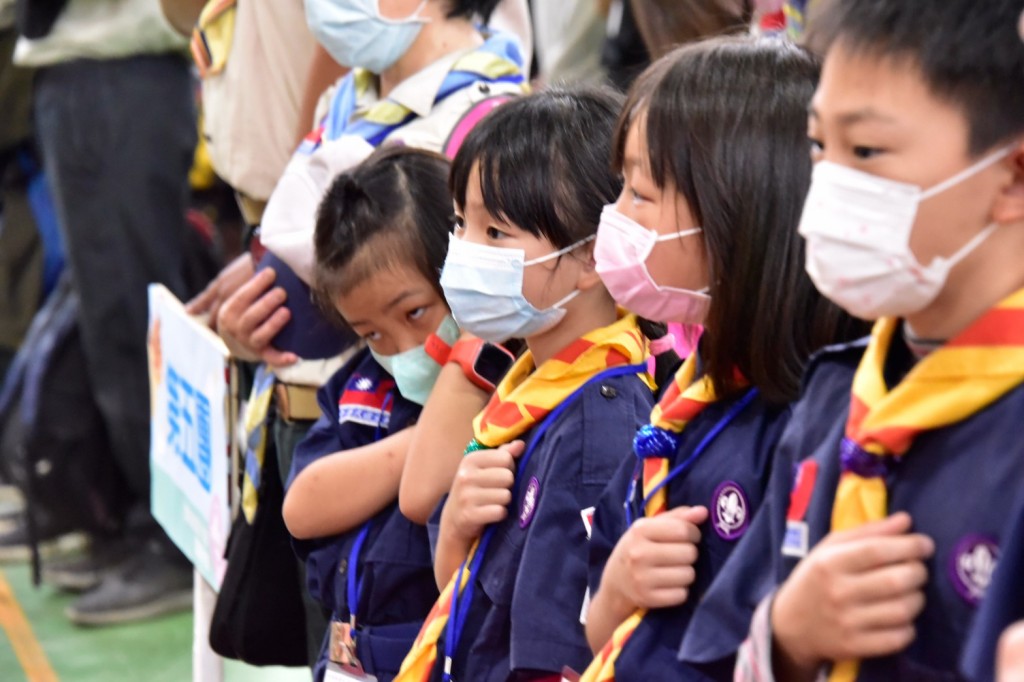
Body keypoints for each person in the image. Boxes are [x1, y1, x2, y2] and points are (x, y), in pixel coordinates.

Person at [682, 0, 1024, 678]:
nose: (829, 183)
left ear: (1012, 177)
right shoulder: (836, 398)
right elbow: (714, 650)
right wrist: (786, 635)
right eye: (819, 146)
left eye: (866, 150)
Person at [576, 36, 865, 681]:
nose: (614, 217)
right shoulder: (686, 401)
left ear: (739, 212)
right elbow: (598, 633)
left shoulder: (812, 420)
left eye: (639, 195)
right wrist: (620, 584)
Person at [394, 88, 655, 682]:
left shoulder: (600, 429)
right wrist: (457, 523)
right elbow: (462, 596)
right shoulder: (527, 387)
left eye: (496, 233)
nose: (463, 251)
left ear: (592, 257)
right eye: (462, 223)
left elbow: (561, 656)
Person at [283, 146, 513, 682]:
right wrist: (427, 440)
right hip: (348, 657)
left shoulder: (507, 389)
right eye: (371, 333)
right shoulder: (363, 386)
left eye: (415, 312)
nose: (406, 346)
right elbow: (303, 507)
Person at [12, 0, 197, 624]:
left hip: (123, 74)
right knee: (102, 321)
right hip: (85, 74)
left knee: (130, 322)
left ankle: (170, 538)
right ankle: (122, 518)